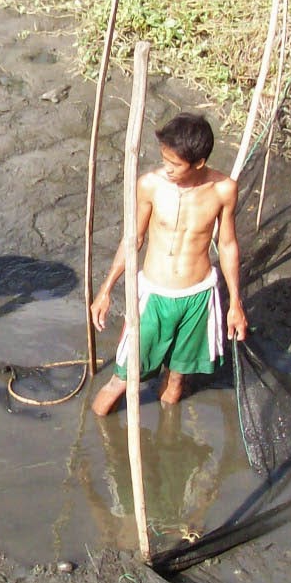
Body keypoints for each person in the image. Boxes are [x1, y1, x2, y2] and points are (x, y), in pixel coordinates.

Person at [89, 112, 248, 415]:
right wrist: (106, 289)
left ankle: (167, 441)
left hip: (198, 297)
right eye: (165, 160)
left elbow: (227, 244)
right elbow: (132, 238)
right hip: (154, 298)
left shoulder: (223, 189)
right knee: (121, 380)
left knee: (176, 381)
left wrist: (235, 304)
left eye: (175, 164)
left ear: (198, 162)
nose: (168, 169)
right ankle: (94, 454)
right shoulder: (150, 185)